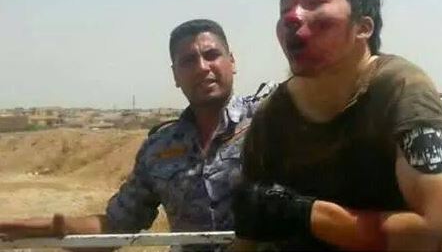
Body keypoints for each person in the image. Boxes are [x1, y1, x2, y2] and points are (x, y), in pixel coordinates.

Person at [233, 0, 442, 251]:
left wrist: (307, 214)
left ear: (363, 27)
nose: (292, 17)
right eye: (285, 8)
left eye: (315, 2)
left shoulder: (401, 90)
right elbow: (250, 234)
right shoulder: (273, 115)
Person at [0, 19, 272, 251]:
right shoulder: (159, 148)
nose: (202, 67)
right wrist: (37, 227)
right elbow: (115, 225)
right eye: (188, 61)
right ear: (175, 76)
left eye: (212, 55)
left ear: (232, 61)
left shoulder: (272, 121)